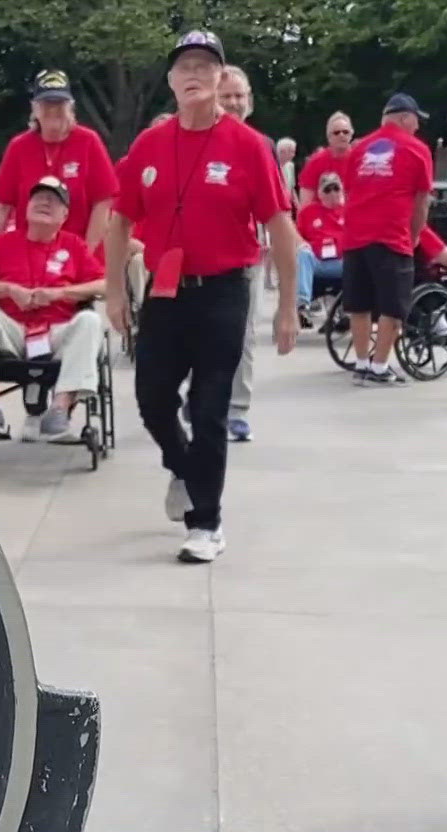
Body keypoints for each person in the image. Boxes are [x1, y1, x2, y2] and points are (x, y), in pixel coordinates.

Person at [105, 30, 298, 564]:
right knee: (151, 399)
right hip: (166, 291)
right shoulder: (150, 145)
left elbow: (281, 227)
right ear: (170, 79)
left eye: (205, 67)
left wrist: (286, 307)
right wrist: (114, 291)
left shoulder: (247, 146)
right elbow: (120, 219)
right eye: (184, 66)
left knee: (210, 407)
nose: (194, 75)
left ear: (221, 79)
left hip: (223, 291)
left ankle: (206, 522)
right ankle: (185, 467)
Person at [0, 176, 106, 444]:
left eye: (54, 199)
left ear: (65, 214)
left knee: (90, 320)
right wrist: (8, 290)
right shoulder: (1, 244)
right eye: (38, 197)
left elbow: (103, 283)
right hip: (11, 329)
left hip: (56, 332)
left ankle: (59, 409)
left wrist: (61, 293)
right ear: (25, 207)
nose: (44, 201)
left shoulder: (74, 246)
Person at [338, 92, 434, 387]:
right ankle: (380, 367)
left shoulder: (358, 149)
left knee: (359, 304)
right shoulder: (417, 150)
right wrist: (416, 234)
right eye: (416, 120)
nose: (418, 127)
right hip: (392, 235)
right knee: (394, 306)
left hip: (355, 236)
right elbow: (421, 202)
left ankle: (362, 362)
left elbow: (350, 190)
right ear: (404, 117)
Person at [0, 70, 119, 246]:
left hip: (78, 249)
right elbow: (1, 205)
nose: (53, 110)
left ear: (70, 107)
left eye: (60, 104)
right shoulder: (19, 146)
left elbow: (103, 203)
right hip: (27, 251)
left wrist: (86, 254)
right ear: (35, 109)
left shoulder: (88, 141)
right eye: (47, 104)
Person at [218, 63, 272, 442]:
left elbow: (275, 206)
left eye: (239, 96)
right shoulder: (197, 137)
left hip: (246, 254)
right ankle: (201, 399)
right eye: (227, 96)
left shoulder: (260, 145)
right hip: (198, 255)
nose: (234, 103)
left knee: (242, 333)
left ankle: (237, 409)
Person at [295, 171, 347, 322]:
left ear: (341, 189)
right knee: (303, 254)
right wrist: (302, 245)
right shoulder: (307, 213)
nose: (332, 193)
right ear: (320, 193)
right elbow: (297, 237)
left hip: (341, 262)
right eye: (327, 189)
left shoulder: (350, 211)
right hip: (317, 262)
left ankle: (347, 309)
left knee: (356, 258)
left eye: (336, 188)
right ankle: (302, 305)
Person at [297, 112, 355, 207]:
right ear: (329, 137)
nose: (341, 135)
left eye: (345, 132)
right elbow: (305, 204)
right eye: (336, 133)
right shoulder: (315, 162)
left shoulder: (360, 159)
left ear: (351, 134)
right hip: (324, 217)